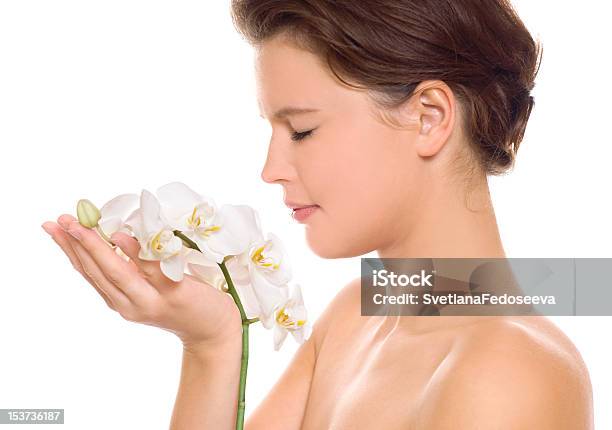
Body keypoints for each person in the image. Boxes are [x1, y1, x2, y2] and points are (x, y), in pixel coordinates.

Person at [41, 0, 593, 428]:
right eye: (273, 130)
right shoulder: (354, 316)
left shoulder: (509, 376)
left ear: (429, 118)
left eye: (302, 130)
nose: (271, 168)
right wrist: (212, 342)